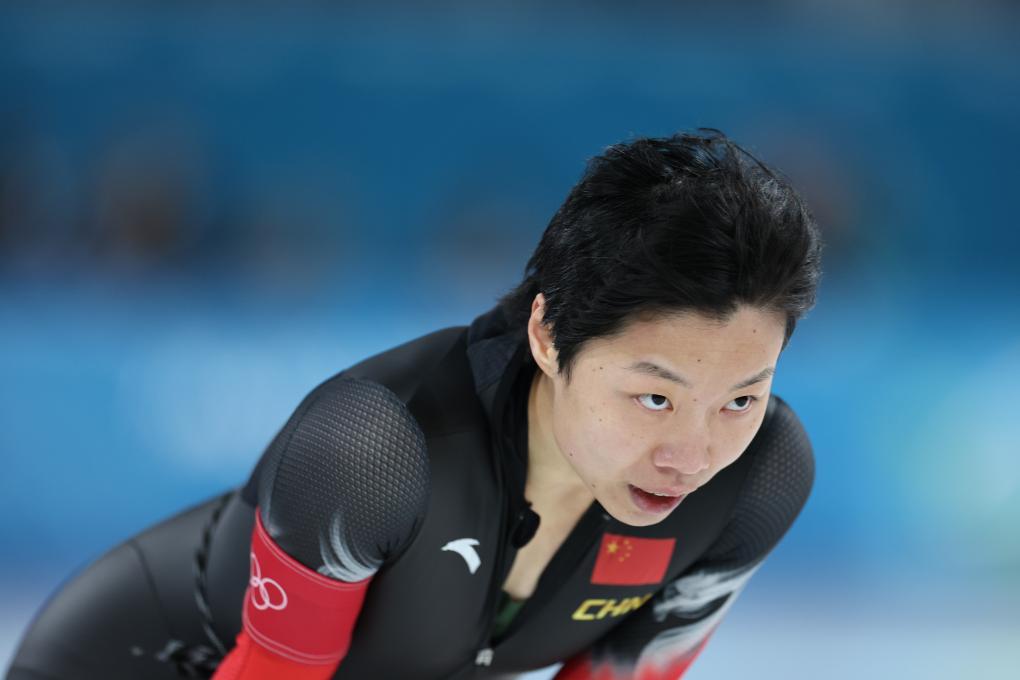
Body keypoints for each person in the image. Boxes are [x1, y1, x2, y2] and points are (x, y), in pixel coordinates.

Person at [6, 129, 821, 680]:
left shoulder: (756, 478)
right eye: (654, 397)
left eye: (741, 399)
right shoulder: (373, 450)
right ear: (549, 335)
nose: (692, 455)